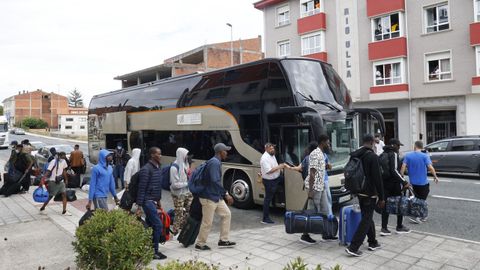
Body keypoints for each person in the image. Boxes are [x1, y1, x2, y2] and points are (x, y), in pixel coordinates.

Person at [345, 134, 385, 257]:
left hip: (358, 190)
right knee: (366, 219)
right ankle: (354, 247)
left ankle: (372, 242)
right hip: (369, 192)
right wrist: (382, 197)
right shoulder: (372, 156)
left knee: (367, 216)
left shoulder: (355, 154)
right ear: (373, 142)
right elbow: (377, 178)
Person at [195, 143, 235, 251]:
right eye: (225, 151)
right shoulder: (214, 163)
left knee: (227, 214)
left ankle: (223, 240)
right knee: (207, 222)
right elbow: (214, 181)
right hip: (208, 197)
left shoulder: (216, 162)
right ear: (220, 152)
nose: (227, 153)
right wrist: (226, 194)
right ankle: (200, 243)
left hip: (215, 196)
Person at [135, 147, 167, 260]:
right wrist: (139, 206)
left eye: (161, 153)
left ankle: (148, 247)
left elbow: (157, 187)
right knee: (158, 225)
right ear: (152, 155)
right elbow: (141, 188)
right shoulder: (146, 169)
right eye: (158, 154)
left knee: (150, 225)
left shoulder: (158, 168)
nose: (160, 156)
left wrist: (158, 201)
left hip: (153, 201)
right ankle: (154, 251)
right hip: (147, 201)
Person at [300, 135, 331, 244]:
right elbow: (312, 173)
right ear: (322, 142)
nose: (329, 144)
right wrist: (311, 191)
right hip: (314, 188)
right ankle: (305, 235)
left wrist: (326, 167)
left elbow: (318, 170)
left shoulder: (322, 154)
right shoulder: (314, 154)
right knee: (311, 212)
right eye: (327, 142)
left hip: (321, 186)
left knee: (325, 211)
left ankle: (326, 233)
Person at [401, 141, 439, 224]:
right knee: (422, 200)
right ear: (422, 147)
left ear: (415, 146)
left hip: (412, 183)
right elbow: (430, 167)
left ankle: (421, 215)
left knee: (415, 199)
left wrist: (402, 177)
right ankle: (417, 216)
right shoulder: (425, 156)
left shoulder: (408, 155)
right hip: (422, 183)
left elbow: (403, 166)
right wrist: (435, 176)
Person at [379, 138, 411, 236]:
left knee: (385, 205)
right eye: (398, 145)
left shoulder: (383, 153)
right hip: (394, 184)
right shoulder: (393, 154)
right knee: (400, 203)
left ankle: (384, 228)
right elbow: (394, 170)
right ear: (393, 145)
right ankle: (399, 226)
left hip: (384, 184)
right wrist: (404, 181)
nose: (399, 148)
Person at [260, 142, 288, 224]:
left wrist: (280, 169)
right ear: (266, 149)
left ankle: (282, 202)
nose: (273, 149)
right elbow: (269, 171)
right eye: (271, 148)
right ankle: (265, 218)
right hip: (270, 181)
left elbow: (274, 166)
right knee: (268, 199)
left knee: (286, 183)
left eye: (273, 148)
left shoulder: (272, 155)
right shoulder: (264, 158)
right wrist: (280, 167)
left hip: (277, 178)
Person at [170, 147, 193, 235]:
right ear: (181, 155)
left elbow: (188, 175)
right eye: (186, 154)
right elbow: (175, 185)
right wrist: (187, 183)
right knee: (179, 212)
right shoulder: (174, 167)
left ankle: (183, 227)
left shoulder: (186, 164)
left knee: (189, 210)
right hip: (178, 194)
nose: (187, 156)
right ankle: (175, 230)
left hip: (187, 192)